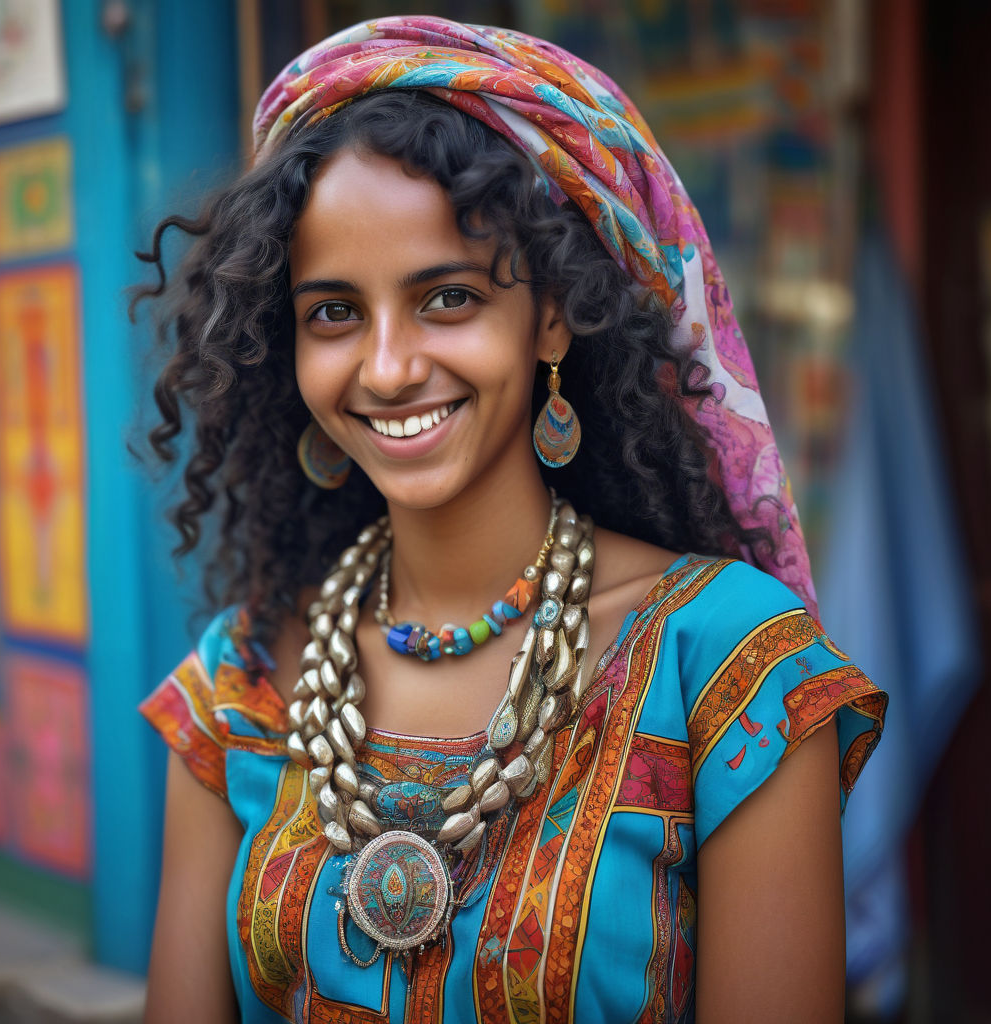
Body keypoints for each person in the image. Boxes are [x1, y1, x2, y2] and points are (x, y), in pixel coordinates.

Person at [136, 16, 887, 1024]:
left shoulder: (727, 669)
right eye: (334, 313)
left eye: (447, 298)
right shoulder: (244, 680)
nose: (388, 368)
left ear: (551, 316)